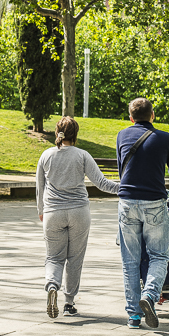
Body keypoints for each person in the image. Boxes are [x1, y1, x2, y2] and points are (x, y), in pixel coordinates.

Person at [36, 116, 119, 319]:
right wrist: (129, 188)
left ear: (57, 133)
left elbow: (40, 188)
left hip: (53, 213)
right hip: (79, 212)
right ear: (76, 135)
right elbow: (101, 183)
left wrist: (41, 211)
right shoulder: (82, 155)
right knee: (74, 259)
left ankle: (52, 286)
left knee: (54, 257)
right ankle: (69, 303)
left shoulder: (46, 156)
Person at [116, 97, 169, 330]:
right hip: (154, 202)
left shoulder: (122, 136)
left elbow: (121, 166)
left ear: (131, 118)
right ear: (152, 116)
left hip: (127, 202)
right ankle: (150, 295)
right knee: (159, 255)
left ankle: (133, 316)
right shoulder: (166, 139)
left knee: (130, 261)